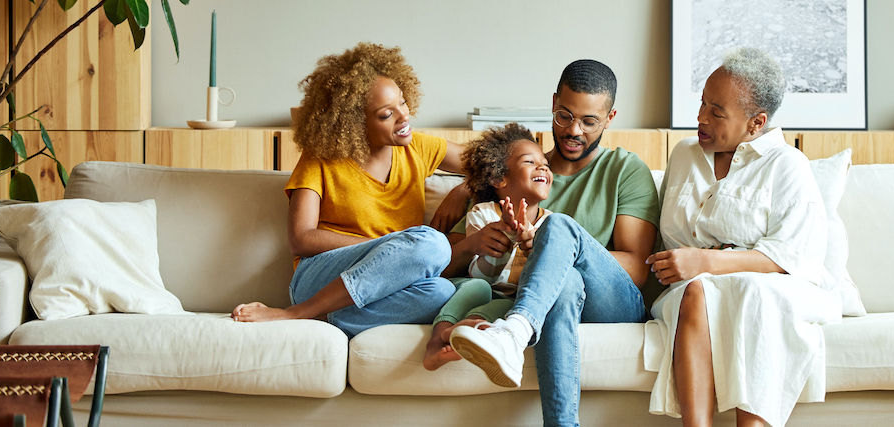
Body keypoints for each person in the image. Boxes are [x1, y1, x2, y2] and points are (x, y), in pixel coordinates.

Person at [442, 59, 660, 427]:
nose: (574, 130)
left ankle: (515, 331)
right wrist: (468, 191)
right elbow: (444, 263)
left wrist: (554, 253)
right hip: (561, 297)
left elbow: (638, 269)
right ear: (554, 102)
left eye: (589, 122)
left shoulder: (625, 169)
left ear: (609, 118)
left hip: (612, 302)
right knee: (564, 284)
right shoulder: (517, 174)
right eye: (564, 115)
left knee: (557, 228)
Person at [646, 47, 842, 427]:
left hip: (772, 290)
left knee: (743, 293)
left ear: (756, 123)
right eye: (702, 103)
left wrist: (708, 261)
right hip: (688, 293)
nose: (700, 117)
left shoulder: (788, 166)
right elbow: (663, 242)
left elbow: (792, 258)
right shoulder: (684, 154)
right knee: (698, 290)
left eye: (716, 112)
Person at [230, 43, 471, 338]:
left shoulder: (419, 147)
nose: (404, 116)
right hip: (320, 276)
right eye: (386, 114)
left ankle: (327, 316)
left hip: (385, 283)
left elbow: (496, 164)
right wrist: (390, 247)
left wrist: (465, 187)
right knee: (432, 245)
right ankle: (295, 312)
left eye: (403, 103)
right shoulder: (321, 157)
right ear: (354, 124)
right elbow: (302, 238)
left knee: (442, 292)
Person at [423, 123, 554, 371]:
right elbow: (482, 275)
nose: (542, 167)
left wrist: (532, 248)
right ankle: (436, 342)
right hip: (477, 285)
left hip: (510, 296)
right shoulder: (482, 215)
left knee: (509, 305)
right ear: (498, 178)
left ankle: (468, 328)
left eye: (545, 164)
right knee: (477, 287)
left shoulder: (551, 226)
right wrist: (503, 242)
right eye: (530, 162)